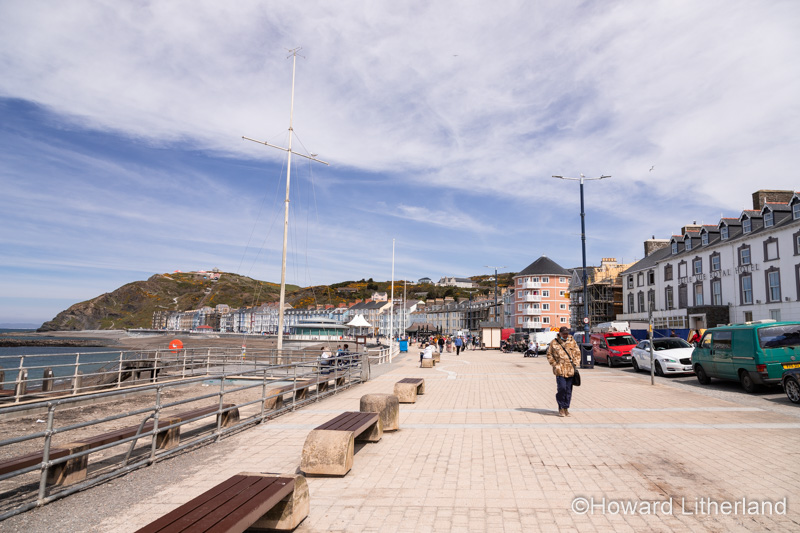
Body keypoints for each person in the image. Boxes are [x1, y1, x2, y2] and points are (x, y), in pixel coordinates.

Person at [546, 326, 581, 417]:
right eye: (564, 334)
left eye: (566, 334)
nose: (565, 335)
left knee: (568, 390)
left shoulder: (572, 341)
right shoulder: (554, 342)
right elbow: (549, 354)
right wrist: (554, 364)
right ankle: (561, 407)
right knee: (562, 388)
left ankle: (566, 408)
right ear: (560, 333)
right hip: (560, 370)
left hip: (570, 370)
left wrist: (576, 363)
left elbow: (578, 353)